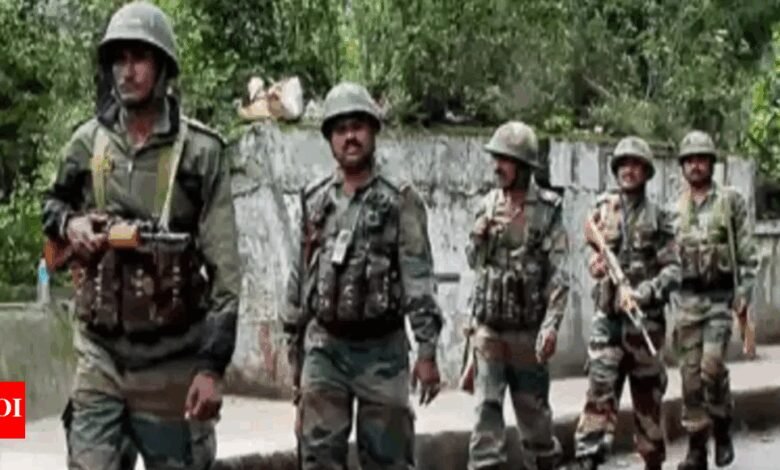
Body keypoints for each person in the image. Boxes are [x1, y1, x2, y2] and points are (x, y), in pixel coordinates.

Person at [41, 2, 240, 468]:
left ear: (163, 67)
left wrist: (211, 368)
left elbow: (226, 274)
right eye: (119, 59)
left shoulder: (200, 153)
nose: (126, 72)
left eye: (139, 58)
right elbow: (51, 205)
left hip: (172, 361)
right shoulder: (87, 143)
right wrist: (71, 224)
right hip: (100, 356)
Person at [282, 81, 443, 469]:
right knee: (318, 456)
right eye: (340, 129)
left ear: (373, 131)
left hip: (382, 351)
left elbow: (419, 279)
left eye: (357, 127)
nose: (350, 137)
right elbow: (301, 276)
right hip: (325, 347)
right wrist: (294, 350)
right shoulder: (315, 198)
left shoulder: (400, 200)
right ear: (330, 139)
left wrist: (426, 351)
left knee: (388, 458)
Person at [464, 120, 569, 470]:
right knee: (485, 415)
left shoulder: (548, 211)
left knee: (535, 421)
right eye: (496, 158)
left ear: (524, 166)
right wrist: (477, 237)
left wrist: (550, 326)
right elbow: (473, 262)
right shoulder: (487, 205)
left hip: (527, 334)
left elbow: (560, 275)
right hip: (489, 331)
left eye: (505, 160)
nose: (498, 166)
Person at [573, 136, 681, 470]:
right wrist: (595, 264)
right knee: (598, 392)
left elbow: (674, 269)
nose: (628, 170)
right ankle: (588, 458)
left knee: (648, 403)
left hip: (644, 323)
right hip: (608, 322)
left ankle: (652, 460)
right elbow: (591, 247)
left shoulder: (659, 217)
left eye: (635, 165)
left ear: (646, 172)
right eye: (623, 164)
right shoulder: (603, 210)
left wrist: (644, 292)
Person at [673, 130, 757, 470]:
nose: (696, 165)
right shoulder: (674, 208)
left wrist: (744, 294)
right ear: (683, 166)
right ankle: (697, 450)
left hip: (720, 303)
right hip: (687, 304)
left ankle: (721, 428)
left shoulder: (730, 201)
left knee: (711, 368)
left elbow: (747, 253)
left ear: (711, 163)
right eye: (690, 160)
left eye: (702, 159)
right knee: (690, 380)